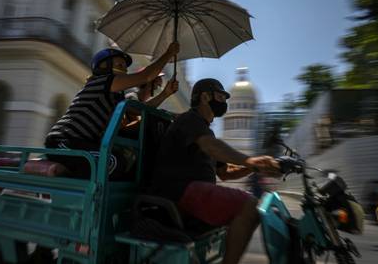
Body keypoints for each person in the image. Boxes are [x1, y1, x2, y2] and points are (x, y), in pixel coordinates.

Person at [150, 78, 280, 264]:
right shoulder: (190, 120)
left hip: (192, 194)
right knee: (249, 206)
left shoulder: (205, 131)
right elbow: (211, 147)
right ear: (205, 97)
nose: (224, 103)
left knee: (246, 209)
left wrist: (254, 167)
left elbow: (225, 173)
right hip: (178, 193)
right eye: (220, 96)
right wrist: (250, 159)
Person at [44, 43, 179, 178]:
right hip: (65, 141)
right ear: (104, 67)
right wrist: (168, 54)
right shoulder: (104, 81)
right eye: (120, 66)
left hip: (79, 143)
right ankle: (72, 178)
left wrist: (165, 94)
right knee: (113, 162)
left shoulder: (115, 95)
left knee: (123, 162)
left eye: (125, 68)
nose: (125, 71)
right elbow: (146, 76)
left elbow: (139, 110)